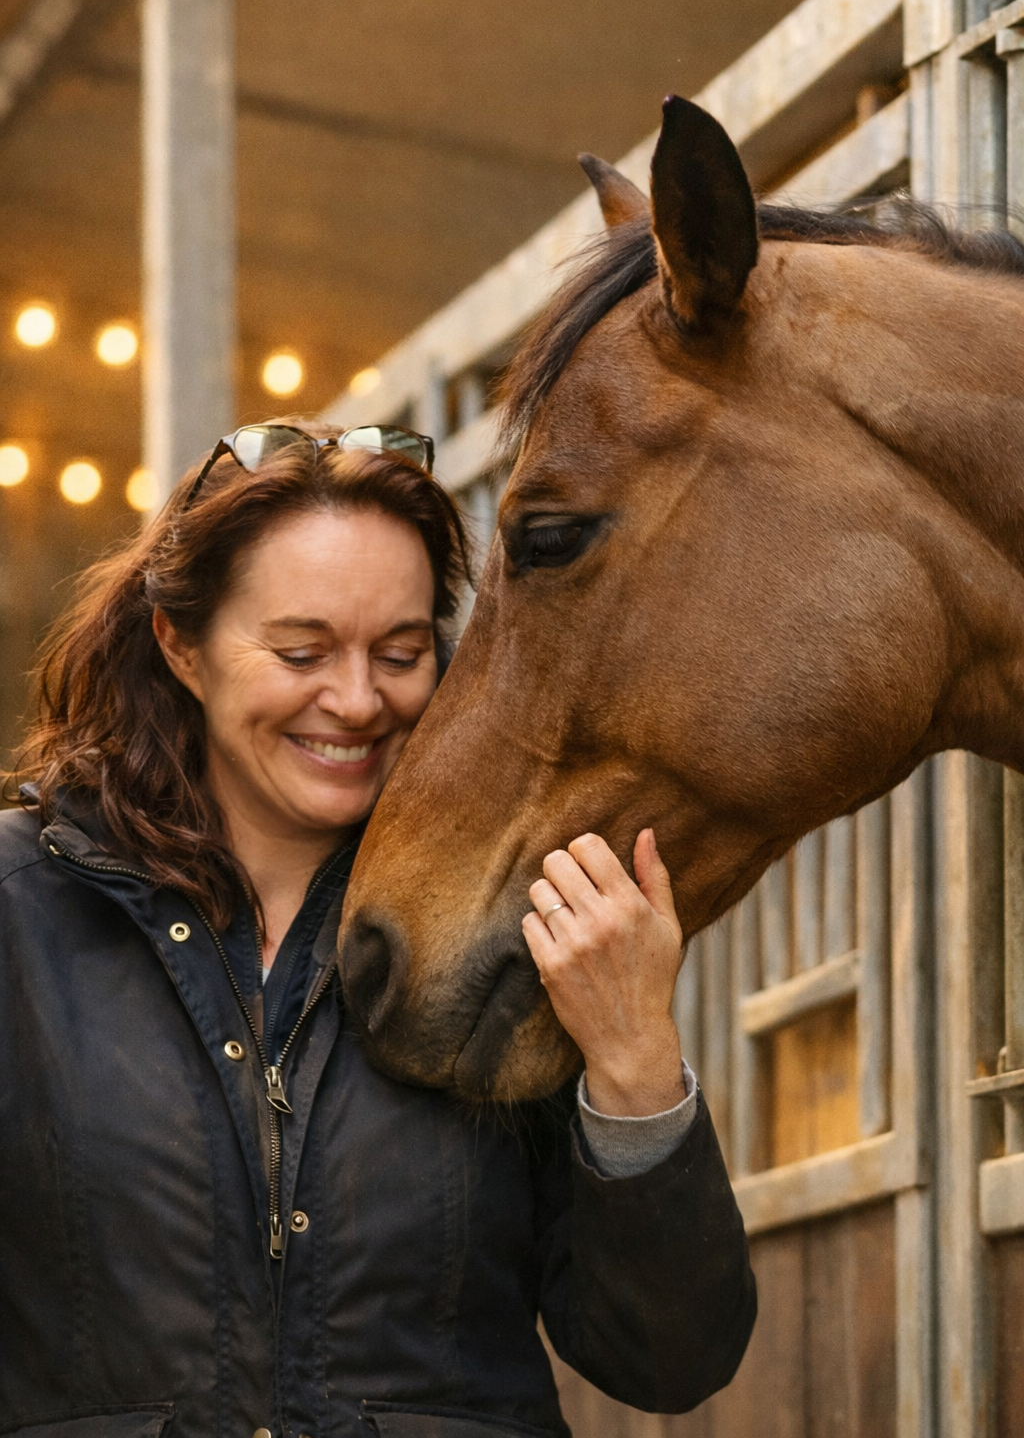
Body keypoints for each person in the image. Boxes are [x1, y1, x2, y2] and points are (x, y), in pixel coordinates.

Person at [0, 421, 755, 1438]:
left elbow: (669, 1358)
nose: (356, 702)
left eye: (400, 654)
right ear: (181, 647)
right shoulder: (20, 905)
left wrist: (633, 1067)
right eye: (302, 651)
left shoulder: (508, 911)